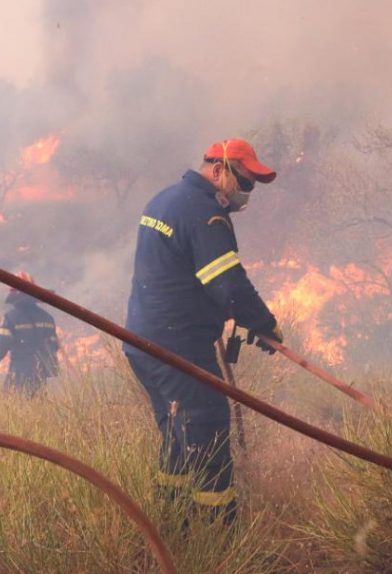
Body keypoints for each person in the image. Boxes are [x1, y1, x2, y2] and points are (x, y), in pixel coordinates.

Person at [123, 138, 284, 525]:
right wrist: (265, 325)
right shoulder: (205, 214)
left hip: (143, 343)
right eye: (244, 182)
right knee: (208, 429)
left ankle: (171, 526)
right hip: (177, 347)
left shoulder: (164, 201)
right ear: (218, 170)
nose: (248, 193)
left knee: (178, 434)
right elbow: (227, 283)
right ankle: (218, 537)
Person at [0, 272, 60, 398]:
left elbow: (2, 343)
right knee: (37, 401)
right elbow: (54, 345)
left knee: (11, 401)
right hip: (41, 369)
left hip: (20, 367)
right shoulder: (47, 317)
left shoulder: (10, 317)